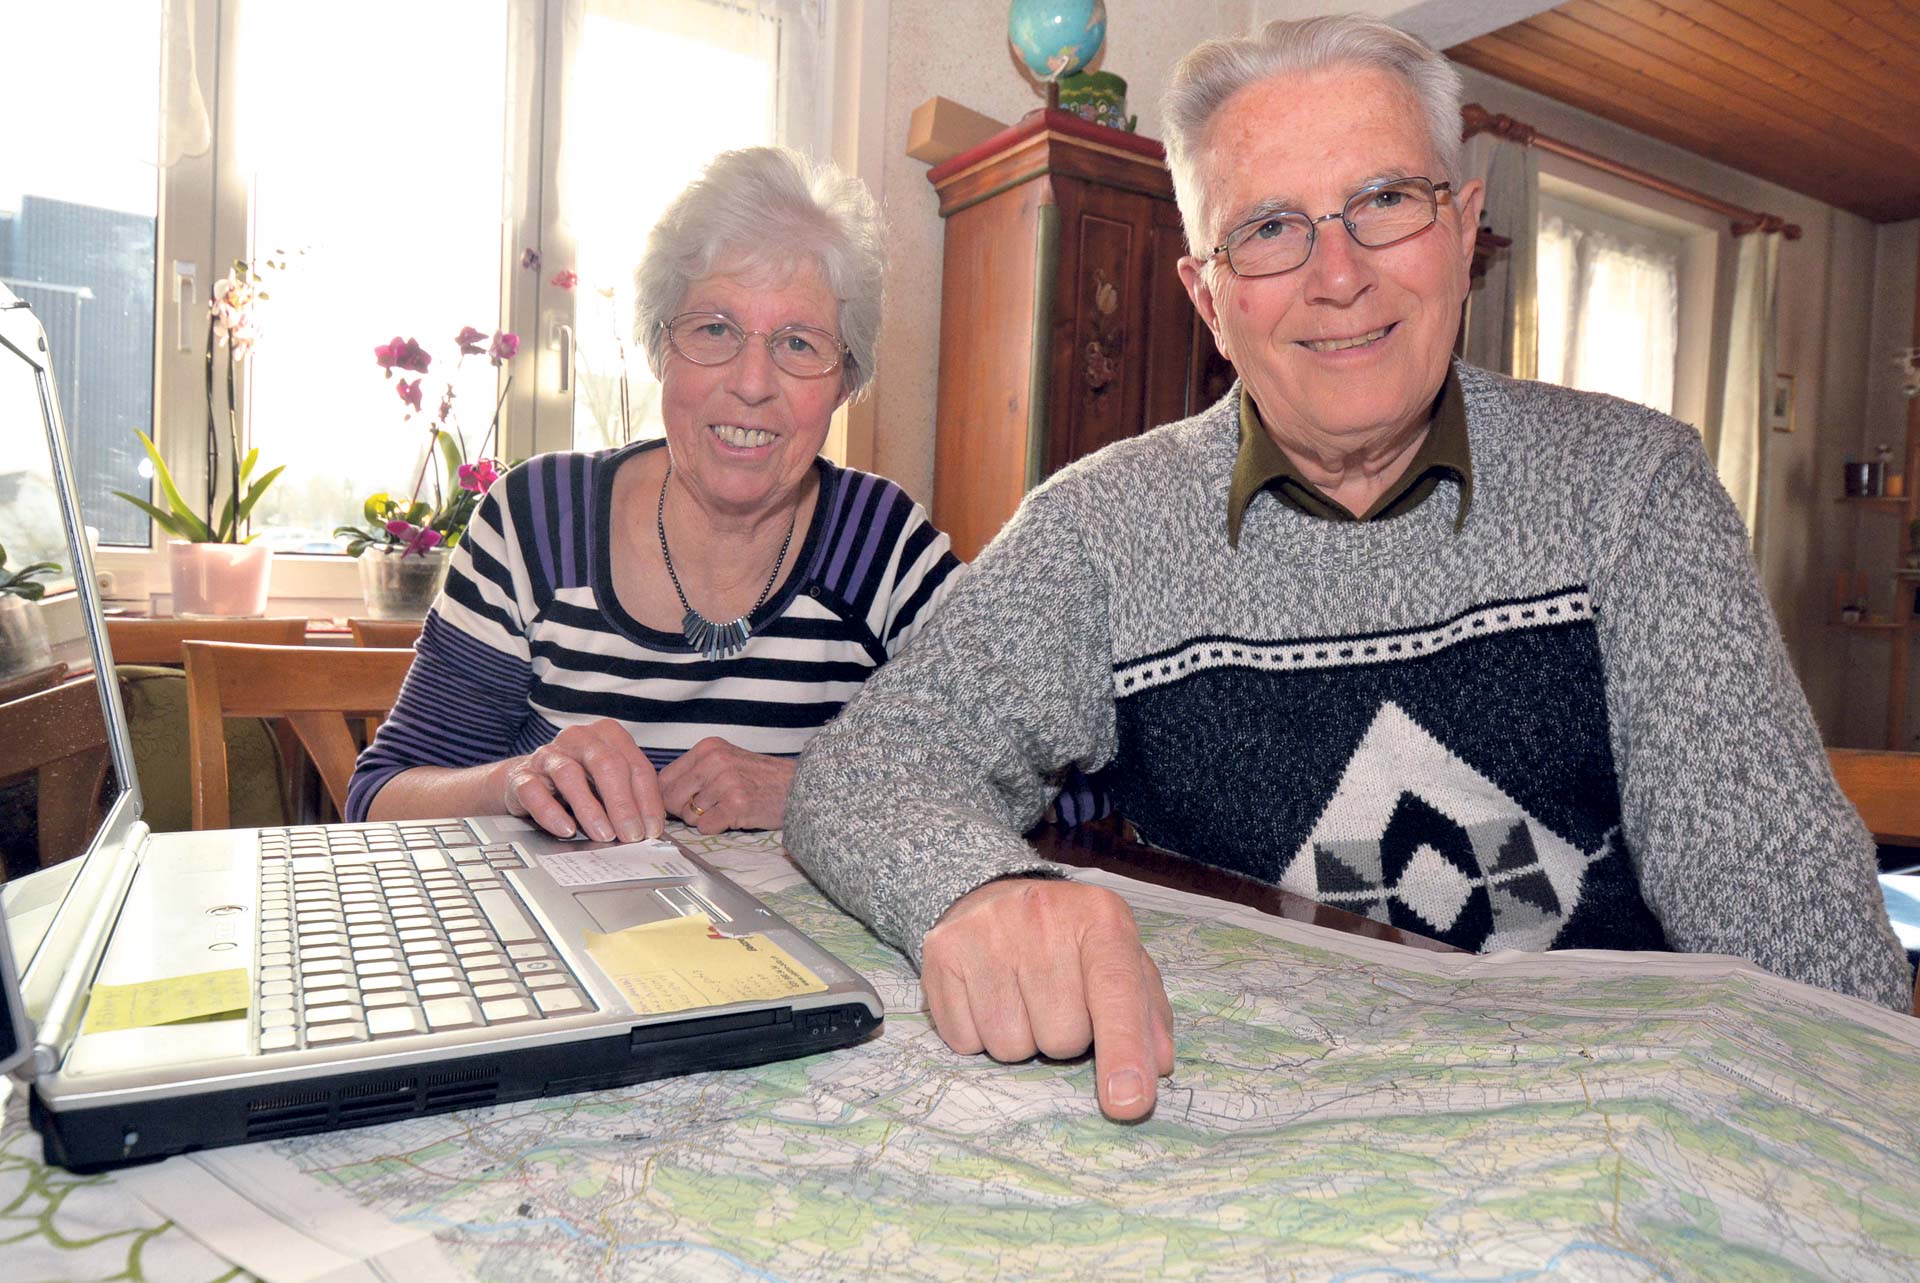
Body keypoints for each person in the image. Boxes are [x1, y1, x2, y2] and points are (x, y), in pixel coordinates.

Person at [784, 15, 1911, 1123]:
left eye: (1384, 200)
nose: (1339, 274)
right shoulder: (1098, 529)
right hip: (1269, 1138)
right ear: (1208, 299)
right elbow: (865, 767)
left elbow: (1796, 936)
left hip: (1608, 1131)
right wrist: (982, 888)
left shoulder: (1636, 487)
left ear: (1463, 229)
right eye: (1270, 227)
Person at [349, 147, 960, 840]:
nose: (752, 384)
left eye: (799, 343)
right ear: (659, 349)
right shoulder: (536, 521)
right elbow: (378, 798)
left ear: (845, 381)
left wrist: (810, 790)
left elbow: (1035, 776)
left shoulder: (883, 546)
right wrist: (513, 782)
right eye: (715, 329)